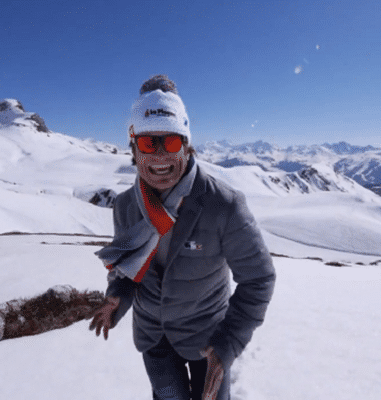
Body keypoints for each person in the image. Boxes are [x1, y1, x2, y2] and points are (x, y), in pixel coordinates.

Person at [89, 75, 275, 400]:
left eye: (171, 142)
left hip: (208, 341)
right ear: (133, 149)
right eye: (149, 144)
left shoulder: (224, 204)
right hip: (153, 340)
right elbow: (128, 269)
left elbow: (258, 278)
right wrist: (117, 296)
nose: (160, 156)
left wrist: (229, 342)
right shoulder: (126, 206)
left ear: (187, 145)